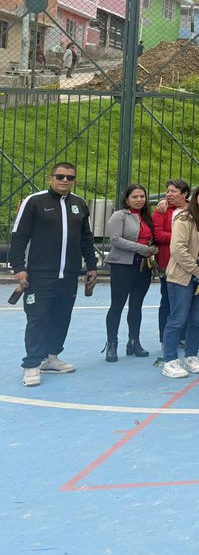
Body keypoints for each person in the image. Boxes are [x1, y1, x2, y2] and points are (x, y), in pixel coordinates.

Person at [11, 162, 97, 387]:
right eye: (60, 176)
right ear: (51, 178)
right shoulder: (34, 202)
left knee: (61, 316)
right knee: (37, 317)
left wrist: (92, 265)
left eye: (70, 177)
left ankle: (51, 357)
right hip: (39, 275)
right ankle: (31, 364)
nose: (65, 181)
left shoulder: (79, 204)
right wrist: (19, 267)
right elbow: (19, 237)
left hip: (68, 275)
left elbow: (86, 238)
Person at [161, 185, 199, 379]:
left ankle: (191, 356)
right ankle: (170, 360)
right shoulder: (184, 218)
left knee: (197, 319)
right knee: (178, 318)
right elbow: (178, 250)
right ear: (195, 197)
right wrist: (197, 271)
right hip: (183, 273)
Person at [103, 184, 158, 362]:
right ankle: (112, 344)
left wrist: (153, 248)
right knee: (117, 305)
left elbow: (154, 239)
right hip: (123, 265)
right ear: (127, 199)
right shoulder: (119, 216)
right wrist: (142, 248)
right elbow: (116, 239)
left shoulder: (147, 217)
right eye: (135, 197)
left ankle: (134, 341)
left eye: (142, 196)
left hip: (143, 266)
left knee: (136, 306)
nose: (139, 200)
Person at [151, 179, 190, 363]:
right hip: (168, 264)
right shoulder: (161, 210)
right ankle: (165, 339)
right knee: (167, 301)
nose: (168, 194)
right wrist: (182, 238)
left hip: (190, 264)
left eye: (173, 191)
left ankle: (183, 336)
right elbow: (157, 235)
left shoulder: (193, 210)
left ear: (184, 194)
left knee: (188, 301)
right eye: (167, 191)